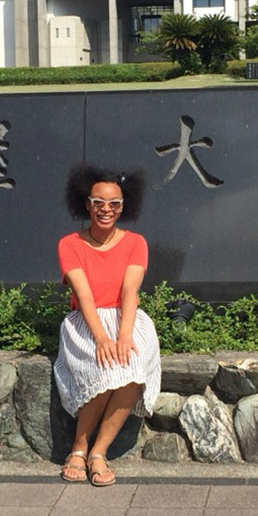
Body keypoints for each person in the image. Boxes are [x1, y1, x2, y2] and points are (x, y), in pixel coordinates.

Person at [54, 164, 161, 486]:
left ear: (124, 205)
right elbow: (82, 293)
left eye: (114, 203)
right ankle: (78, 446)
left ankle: (98, 453)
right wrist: (101, 338)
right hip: (86, 322)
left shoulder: (135, 243)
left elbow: (130, 290)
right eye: (98, 201)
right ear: (86, 203)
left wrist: (124, 335)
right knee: (101, 368)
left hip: (127, 318)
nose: (106, 209)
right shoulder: (69, 244)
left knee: (132, 366)